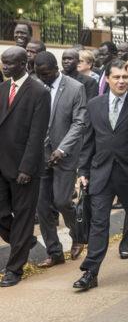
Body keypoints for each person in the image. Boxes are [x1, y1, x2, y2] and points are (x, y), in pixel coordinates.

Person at [73, 59, 128, 290]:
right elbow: (88, 141)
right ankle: (90, 272)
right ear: (107, 79)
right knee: (98, 222)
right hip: (101, 173)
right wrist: (83, 171)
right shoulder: (94, 104)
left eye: (125, 77)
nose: (122, 81)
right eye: (116, 77)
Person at [0, 47, 50, 287]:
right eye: (3, 63)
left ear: (23, 64)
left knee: (22, 217)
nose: (5, 67)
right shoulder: (1, 89)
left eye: (9, 64)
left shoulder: (39, 92)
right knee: (3, 216)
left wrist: (27, 168)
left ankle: (14, 270)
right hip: (1, 164)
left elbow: (37, 134)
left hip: (24, 168)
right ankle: (23, 239)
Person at [34, 51, 88, 268]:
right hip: (39, 155)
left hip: (64, 155)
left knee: (62, 201)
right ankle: (54, 251)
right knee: (41, 206)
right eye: (39, 74)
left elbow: (79, 123)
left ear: (56, 69)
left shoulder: (75, 88)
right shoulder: (35, 85)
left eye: (46, 74)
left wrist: (63, 149)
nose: (42, 78)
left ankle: (78, 235)